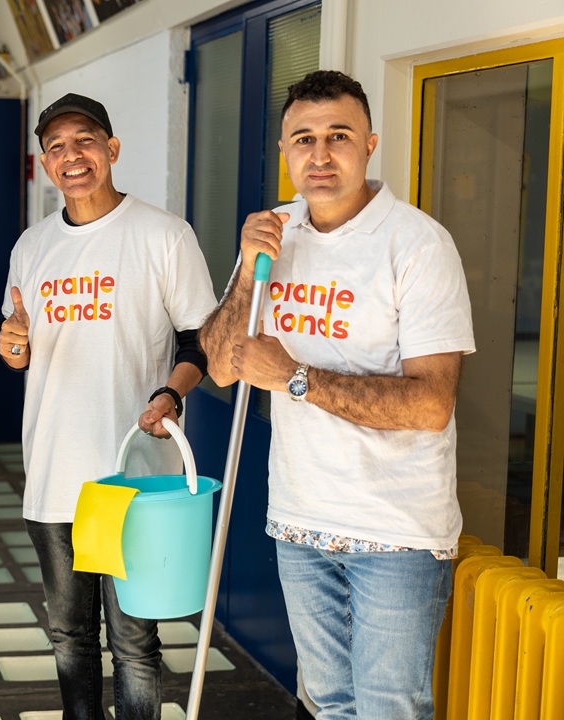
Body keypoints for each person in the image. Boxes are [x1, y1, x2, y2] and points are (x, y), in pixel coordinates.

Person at [199, 70, 475, 719]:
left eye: (338, 136)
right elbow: (218, 367)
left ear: (370, 143)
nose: (319, 155)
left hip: (397, 532)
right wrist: (245, 272)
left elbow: (431, 405)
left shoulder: (417, 245)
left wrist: (297, 376)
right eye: (303, 138)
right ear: (284, 151)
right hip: (301, 517)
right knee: (326, 704)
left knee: (387, 709)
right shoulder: (272, 237)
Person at [0, 93, 217, 719]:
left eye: (85, 140)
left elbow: (199, 339)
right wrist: (10, 344)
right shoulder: (31, 246)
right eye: (57, 147)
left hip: (134, 475)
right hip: (53, 470)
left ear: (112, 149)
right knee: (69, 636)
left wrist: (171, 393)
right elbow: (17, 345)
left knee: (134, 642)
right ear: (45, 163)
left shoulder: (163, 235)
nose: (73, 156)